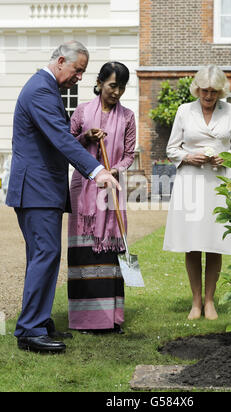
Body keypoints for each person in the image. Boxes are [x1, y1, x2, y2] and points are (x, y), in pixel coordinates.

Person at [6, 42, 121, 354]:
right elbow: (59, 138)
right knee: (45, 255)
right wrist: (96, 171)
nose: (80, 77)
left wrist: (83, 141)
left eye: (83, 72)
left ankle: (39, 322)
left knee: (44, 255)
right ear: (60, 61)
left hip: (41, 189)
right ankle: (29, 331)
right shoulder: (40, 90)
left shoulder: (44, 88)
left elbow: (58, 137)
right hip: (36, 189)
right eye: (77, 70)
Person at [163, 65, 231, 321]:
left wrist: (227, 157)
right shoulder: (184, 111)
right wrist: (189, 156)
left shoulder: (230, 111)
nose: (208, 96)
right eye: (204, 90)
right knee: (192, 243)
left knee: (214, 242)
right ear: (196, 89)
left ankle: (210, 301)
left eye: (213, 91)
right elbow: (171, 148)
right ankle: (195, 302)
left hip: (219, 182)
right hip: (191, 182)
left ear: (221, 91)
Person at [67, 62, 136, 334]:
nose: (117, 92)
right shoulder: (83, 111)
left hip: (111, 190)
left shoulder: (128, 117)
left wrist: (114, 170)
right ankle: (85, 321)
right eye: (112, 86)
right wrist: (86, 136)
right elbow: (67, 143)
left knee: (110, 251)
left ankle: (111, 319)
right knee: (84, 252)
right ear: (99, 82)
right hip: (82, 191)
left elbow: (129, 154)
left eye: (121, 87)